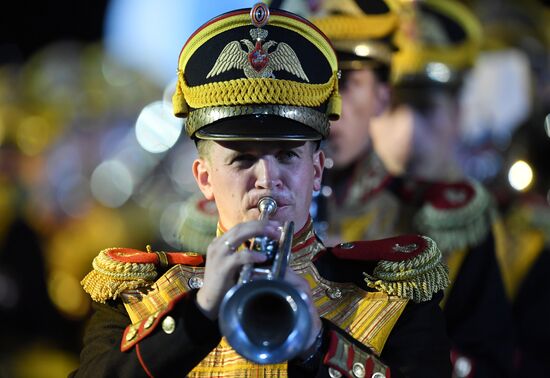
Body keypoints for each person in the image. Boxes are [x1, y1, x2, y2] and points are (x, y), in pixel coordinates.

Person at [71, 4, 451, 377]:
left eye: (287, 155)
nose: (268, 179)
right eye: (242, 160)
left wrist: (319, 345)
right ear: (204, 178)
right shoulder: (138, 297)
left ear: (316, 170)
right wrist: (198, 316)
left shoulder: (394, 297)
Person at [314, 0, 515, 376]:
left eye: (345, 81)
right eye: (307, 83)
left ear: (381, 95)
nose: (328, 105)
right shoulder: (243, 208)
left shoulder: (442, 218)